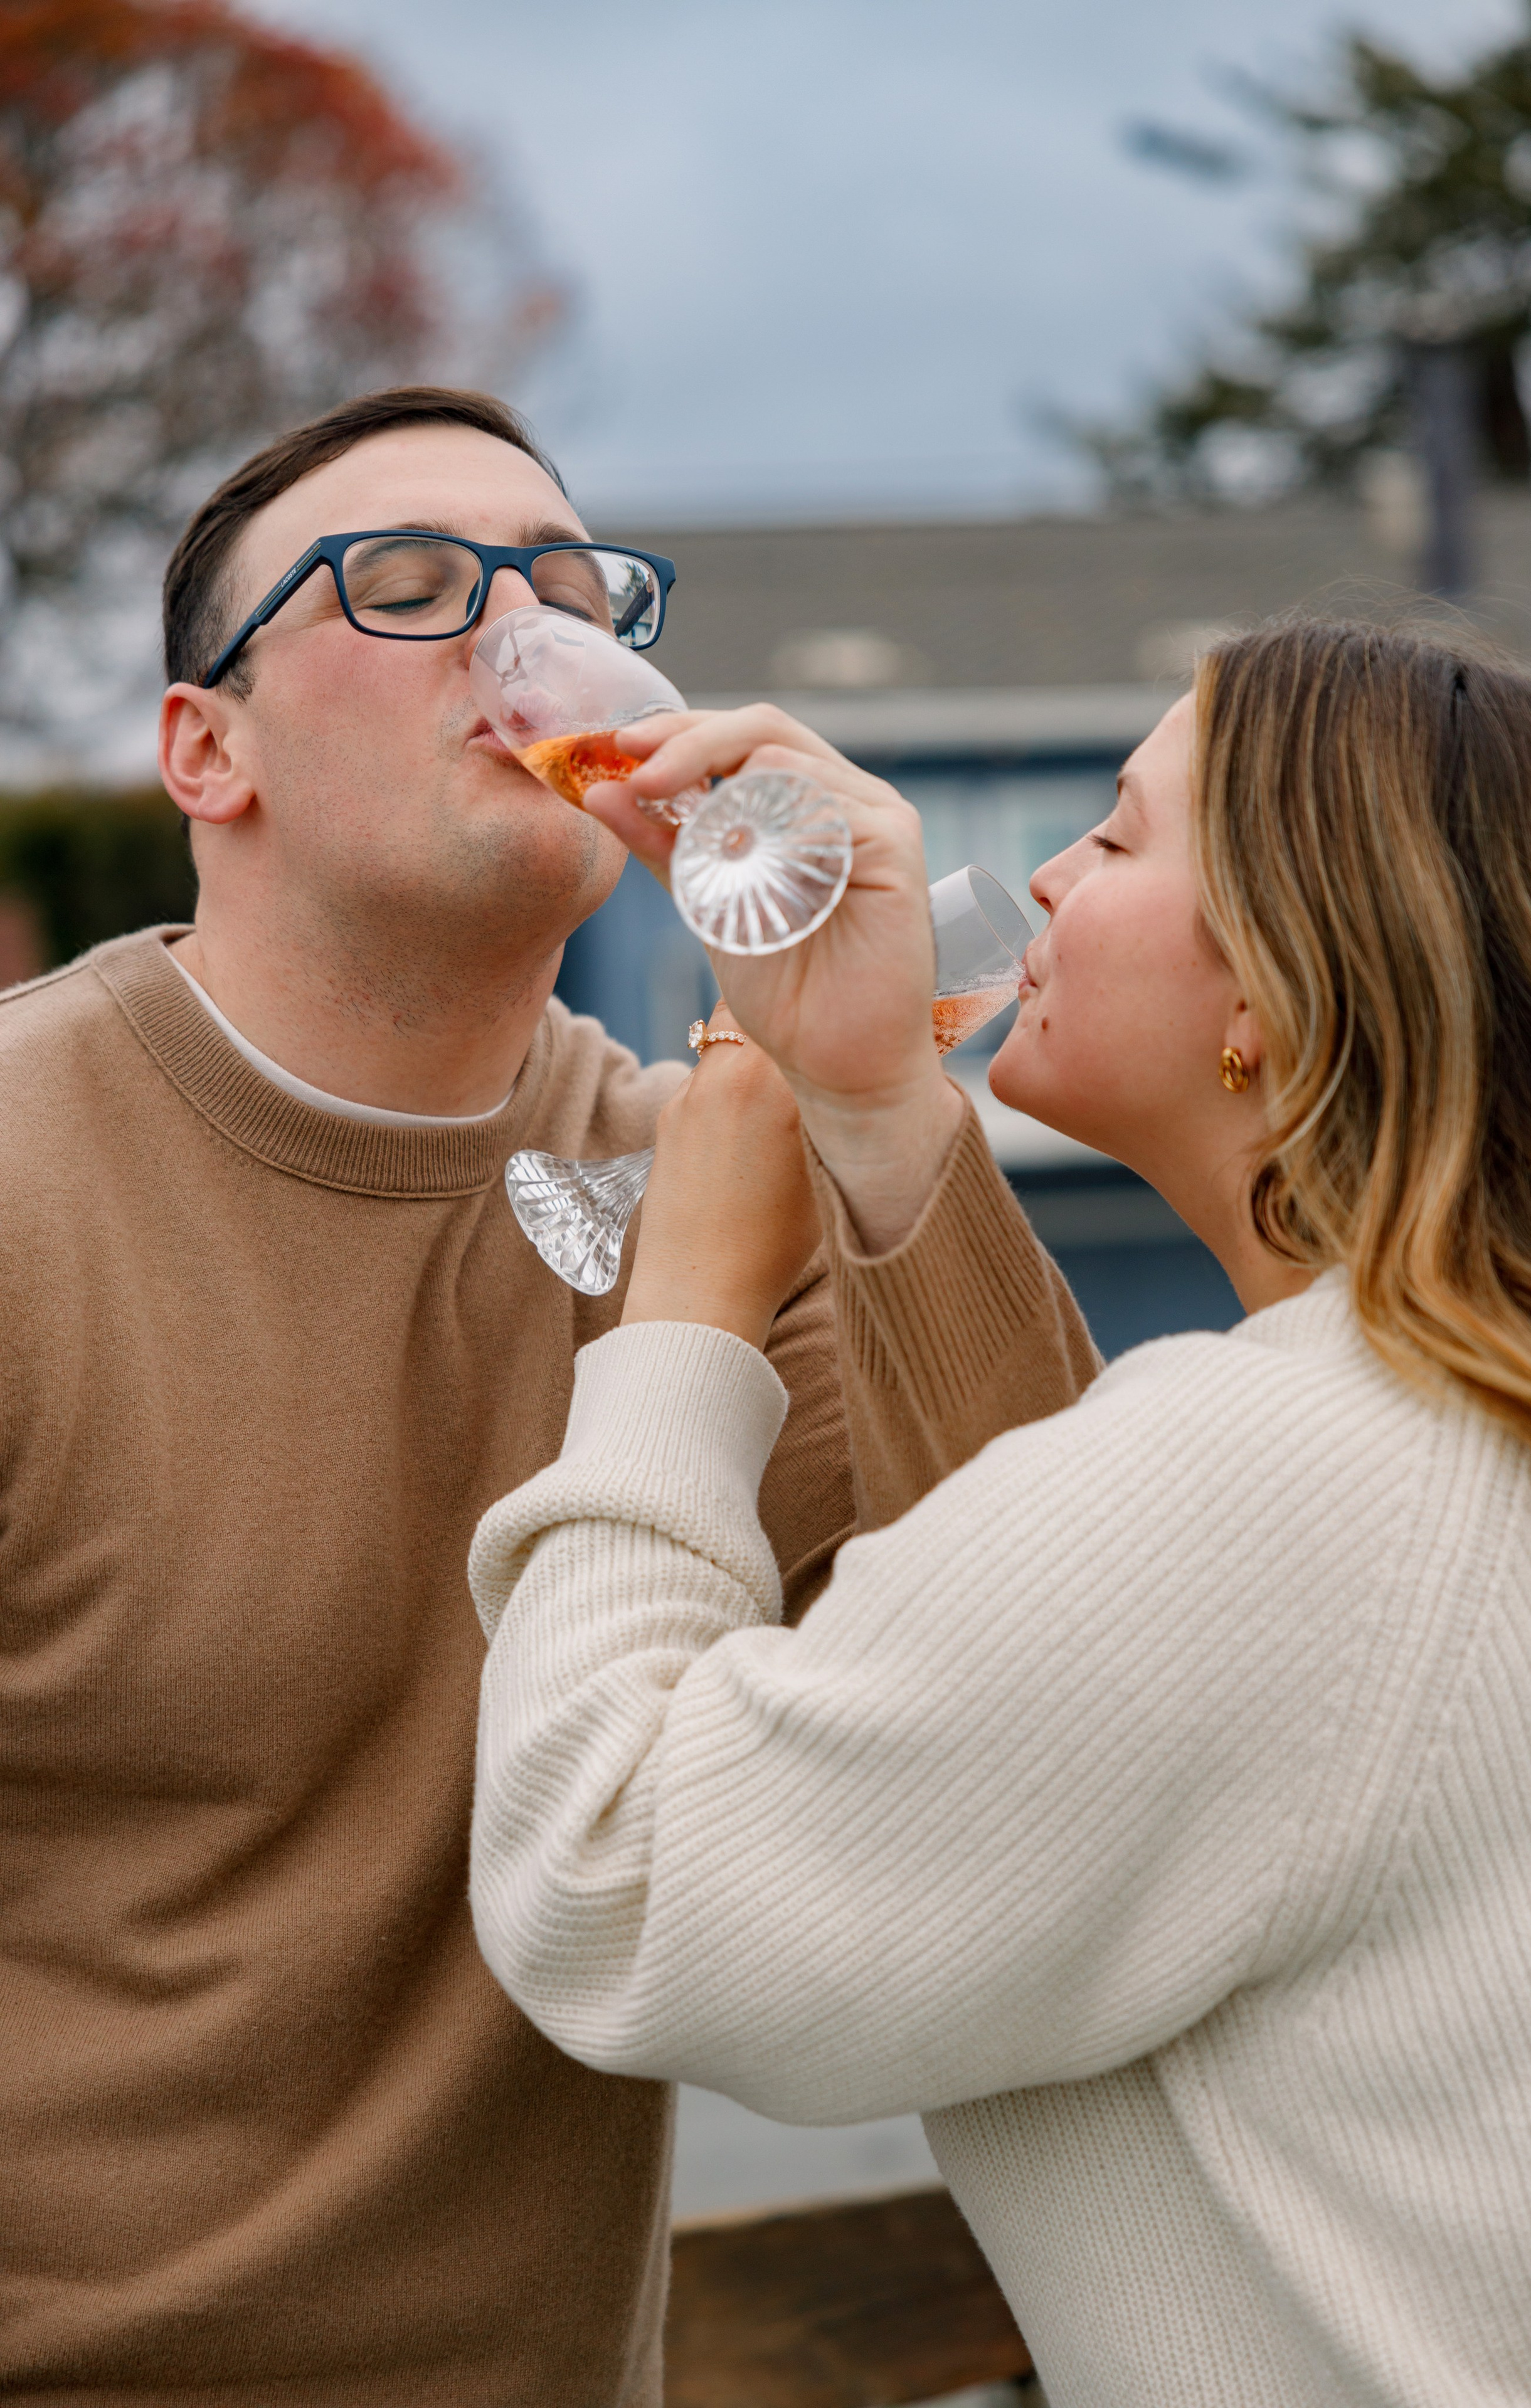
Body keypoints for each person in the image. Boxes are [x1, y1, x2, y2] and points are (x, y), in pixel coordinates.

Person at [468, 620, 1531, 2408]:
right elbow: (1077, 1675)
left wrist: (684, 1307)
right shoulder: (1501, 1414)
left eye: (1124, 838)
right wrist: (869, 1099)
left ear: (1277, 993)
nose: (1051, 880)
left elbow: (609, 1884)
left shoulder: (1287, 1478)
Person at [0, 386, 890, 2406]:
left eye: (572, 594)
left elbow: (1053, 1692)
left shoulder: (720, 1189)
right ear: (201, 750)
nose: (521, 639)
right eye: (406, 591)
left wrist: (891, 1104)